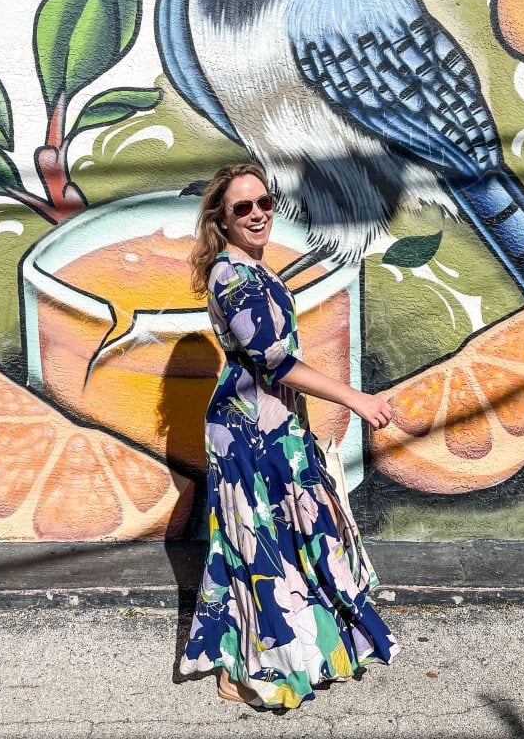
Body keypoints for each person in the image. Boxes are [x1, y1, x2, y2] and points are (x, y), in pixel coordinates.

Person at [179, 163, 401, 708]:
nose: (257, 214)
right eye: (242, 208)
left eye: (264, 203)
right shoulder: (232, 277)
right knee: (257, 554)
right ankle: (248, 668)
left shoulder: (256, 270)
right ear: (221, 219)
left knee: (284, 542)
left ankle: (300, 651)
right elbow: (273, 361)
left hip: (274, 431)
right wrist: (356, 399)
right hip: (246, 435)